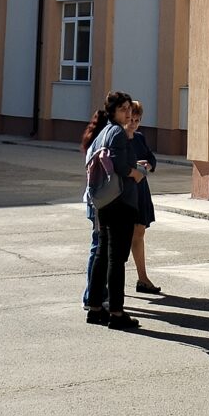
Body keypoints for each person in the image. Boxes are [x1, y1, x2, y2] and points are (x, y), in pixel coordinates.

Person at [83, 91, 148, 329]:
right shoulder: (118, 132)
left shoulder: (103, 132)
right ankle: (117, 313)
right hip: (120, 201)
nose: (128, 113)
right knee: (116, 259)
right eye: (123, 109)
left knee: (102, 255)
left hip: (104, 201)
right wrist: (137, 173)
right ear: (112, 111)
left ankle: (95, 308)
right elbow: (120, 166)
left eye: (129, 108)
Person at [126, 99, 162, 294]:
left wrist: (148, 165)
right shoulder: (118, 138)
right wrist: (134, 165)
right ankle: (112, 283)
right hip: (125, 191)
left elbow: (151, 157)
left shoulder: (139, 138)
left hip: (141, 190)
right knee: (122, 237)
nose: (133, 124)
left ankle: (142, 278)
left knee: (140, 232)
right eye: (131, 119)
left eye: (137, 120)